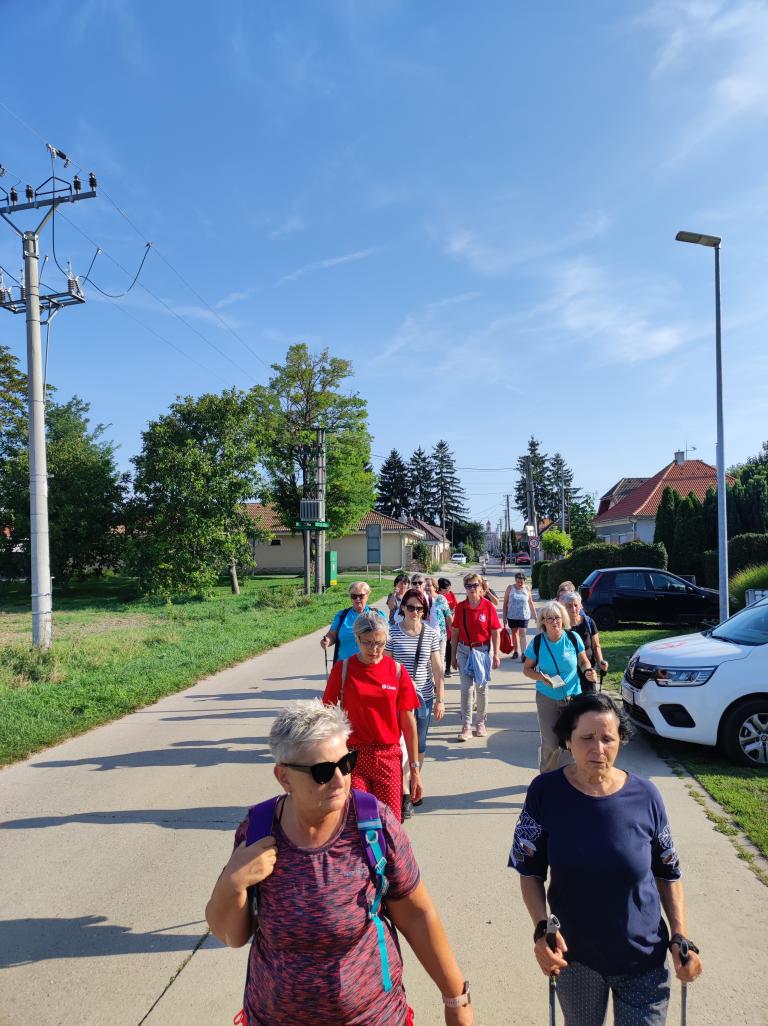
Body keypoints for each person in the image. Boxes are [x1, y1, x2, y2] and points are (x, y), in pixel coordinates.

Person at [206, 700, 474, 1026]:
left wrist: (456, 999)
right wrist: (232, 881)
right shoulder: (258, 830)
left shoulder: (374, 826)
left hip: (373, 1017)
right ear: (284, 777)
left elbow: (417, 915)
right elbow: (233, 936)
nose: (340, 780)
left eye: (346, 763)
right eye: (322, 772)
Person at [509, 693, 702, 1026]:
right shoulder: (544, 792)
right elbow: (529, 871)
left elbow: (668, 872)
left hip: (643, 958)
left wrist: (680, 936)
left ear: (620, 741)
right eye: (587, 738)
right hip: (576, 958)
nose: (598, 748)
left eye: (608, 739)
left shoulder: (646, 796)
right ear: (568, 740)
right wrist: (541, 928)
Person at [323, 611, 421, 820]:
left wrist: (414, 769)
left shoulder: (397, 671)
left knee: (390, 822)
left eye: (379, 643)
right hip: (353, 757)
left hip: (388, 756)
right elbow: (327, 715)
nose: (374, 650)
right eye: (367, 643)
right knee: (361, 821)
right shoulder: (343, 669)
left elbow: (408, 723)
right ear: (357, 639)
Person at [386, 588, 445, 816]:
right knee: (400, 744)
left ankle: (413, 781)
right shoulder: (392, 633)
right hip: (398, 700)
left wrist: (440, 700)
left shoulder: (430, 634)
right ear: (402, 608)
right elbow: (387, 667)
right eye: (411, 607)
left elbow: (437, 670)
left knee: (418, 745)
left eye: (420, 608)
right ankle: (403, 792)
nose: (415, 612)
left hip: (423, 699)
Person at [522, 601, 597, 773]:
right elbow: (527, 669)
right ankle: (545, 780)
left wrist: (588, 670)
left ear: (563, 619)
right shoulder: (538, 642)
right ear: (543, 622)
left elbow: (583, 661)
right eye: (549, 618)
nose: (554, 621)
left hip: (573, 697)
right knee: (551, 743)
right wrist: (541, 677)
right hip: (547, 698)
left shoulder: (573, 638)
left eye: (557, 617)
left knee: (572, 741)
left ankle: (568, 778)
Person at [450, 572, 501, 741]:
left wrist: (496, 654)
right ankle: (466, 725)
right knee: (466, 688)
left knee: (481, 687)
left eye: (475, 585)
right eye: (468, 586)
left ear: (481, 587)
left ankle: (480, 722)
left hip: (482, 651)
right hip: (464, 650)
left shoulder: (488, 606)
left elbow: (495, 632)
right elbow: (455, 632)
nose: (472, 589)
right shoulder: (460, 607)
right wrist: (452, 656)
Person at [320, 582, 385, 665]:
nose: (357, 599)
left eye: (361, 596)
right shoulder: (342, 615)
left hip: (370, 665)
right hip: (344, 666)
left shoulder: (378, 615)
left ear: (367, 595)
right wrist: (327, 641)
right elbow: (332, 635)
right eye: (354, 596)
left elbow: (386, 640)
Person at [560, 591, 608, 692]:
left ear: (580, 606)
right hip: (569, 671)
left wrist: (601, 661)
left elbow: (596, 646)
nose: (573, 609)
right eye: (569, 606)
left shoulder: (589, 622)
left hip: (588, 668)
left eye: (576, 605)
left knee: (589, 697)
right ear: (564, 608)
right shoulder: (561, 626)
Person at [502, 572, 537, 661]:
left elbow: (530, 602)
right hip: (512, 615)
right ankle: (516, 651)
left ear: (524, 581)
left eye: (521, 582)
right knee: (514, 633)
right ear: (515, 581)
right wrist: (504, 617)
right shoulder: (510, 588)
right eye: (518, 582)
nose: (520, 584)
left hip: (524, 615)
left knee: (522, 633)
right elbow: (505, 603)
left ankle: (524, 653)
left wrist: (535, 616)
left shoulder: (527, 589)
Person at [438, 577, 458, 676]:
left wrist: (452, 612)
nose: (449, 590)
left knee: (449, 646)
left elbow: (455, 606)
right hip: (440, 626)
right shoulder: (436, 597)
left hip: (449, 624)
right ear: (440, 588)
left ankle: (447, 668)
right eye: (447, 588)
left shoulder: (451, 594)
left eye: (450, 587)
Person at [425, 576, 453, 645]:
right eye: (425, 585)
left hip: (440, 637)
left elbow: (448, 616)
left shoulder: (441, 599)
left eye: (429, 585)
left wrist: (453, 633)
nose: (426, 587)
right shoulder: (420, 599)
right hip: (425, 638)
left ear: (435, 587)